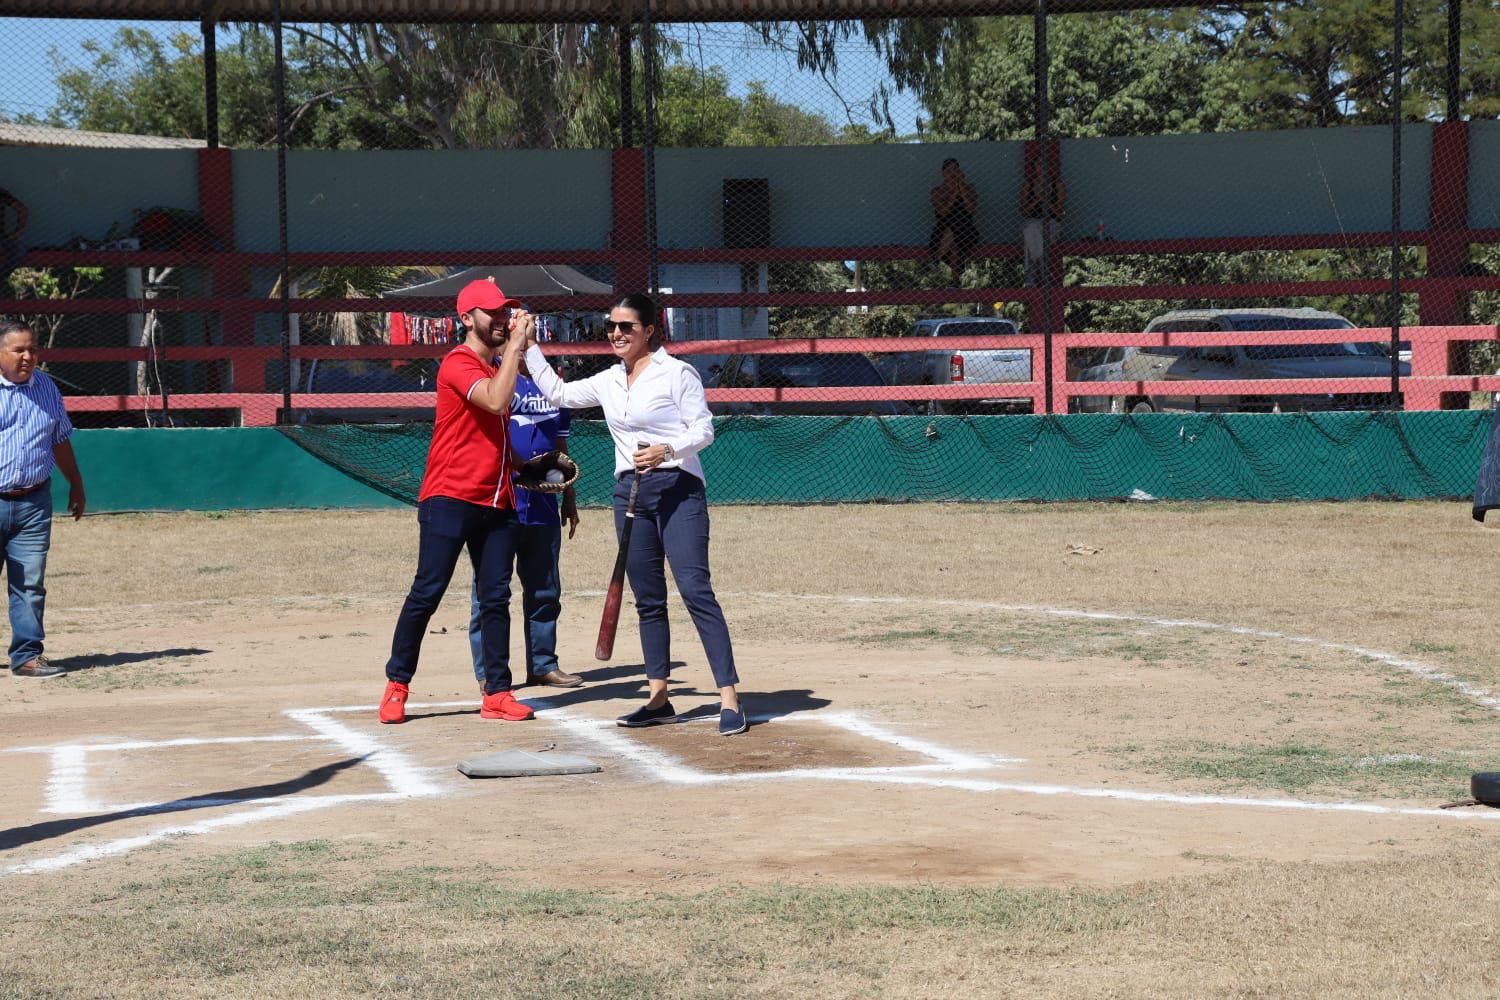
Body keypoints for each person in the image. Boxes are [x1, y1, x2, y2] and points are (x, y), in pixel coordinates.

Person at [521, 293, 748, 736]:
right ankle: (658, 697)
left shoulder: (677, 373)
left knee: (695, 590)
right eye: (611, 326)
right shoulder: (609, 379)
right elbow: (558, 392)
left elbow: (704, 429)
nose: (617, 334)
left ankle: (729, 698)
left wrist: (668, 449)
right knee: (648, 600)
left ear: (649, 331)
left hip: (677, 488)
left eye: (626, 327)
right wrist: (529, 345)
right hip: (630, 493)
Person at [378, 279, 535, 725]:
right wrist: (518, 350)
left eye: (506, 311)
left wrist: (529, 467)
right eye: (493, 312)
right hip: (450, 496)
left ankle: (498, 692)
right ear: (467, 319)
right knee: (427, 592)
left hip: (497, 498)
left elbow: (495, 432)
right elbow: (496, 401)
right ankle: (397, 685)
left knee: (496, 598)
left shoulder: (500, 365)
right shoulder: (458, 363)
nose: (503, 319)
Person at [467, 364, 582, 692]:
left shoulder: (554, 387)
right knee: (489, 592)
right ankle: (489, 671)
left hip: (542, 506)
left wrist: (569, 498)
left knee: (545, 589)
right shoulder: (494, 384)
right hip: (498, 503)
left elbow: (561, 448)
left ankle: (543, 664)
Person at [0, 320, 85, 678]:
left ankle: (27, 657)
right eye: (18, 349)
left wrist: (76, 484)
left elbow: (60, 439)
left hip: (35, 500)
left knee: (30, 583)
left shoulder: (47, 388)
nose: (27, 356)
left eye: (32, 349)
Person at [928, 158, 979, 277]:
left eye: (955, 170)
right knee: (954, 241)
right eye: (949, 171)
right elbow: (943, 212)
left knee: (956, 236)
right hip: (943, 229)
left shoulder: (969, 188)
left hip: (966, 228)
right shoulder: (938, 191)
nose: (952, 173)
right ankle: (955, 282)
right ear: (943, 173)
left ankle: (936, 259)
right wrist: (955, 193)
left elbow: (971, 209)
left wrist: (961, 186)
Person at [1020, 156, 1065, 286]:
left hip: (1052, 224)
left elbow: (1059, 214)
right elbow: (1024, 212)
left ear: (1049, 168)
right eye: (1039, 164)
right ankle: (1044, 273)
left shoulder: (1058, 185)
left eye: (1044, 164)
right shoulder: (1028, 185)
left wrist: (1047, 200)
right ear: (1035, 168)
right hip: (1033, 222)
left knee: (1031, 236)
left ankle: (1031, 277)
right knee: (1032, 228)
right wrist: (1037, 199)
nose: (1042, 168)